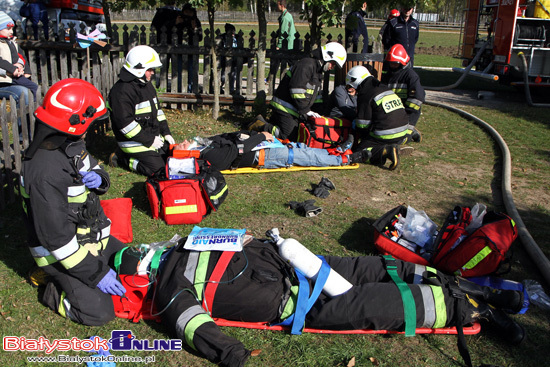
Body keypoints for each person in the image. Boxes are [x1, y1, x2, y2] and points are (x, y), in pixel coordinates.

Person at [116, 234, 526, 367]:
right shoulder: (189, 242)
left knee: (374, 298)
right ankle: (480, 299)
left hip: (294, 293)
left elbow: (193, 326)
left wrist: (233, 355)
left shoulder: (169, 290)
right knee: (373, 271)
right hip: (300, 276)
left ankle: (472, 306)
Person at [20, 78, 127, 326]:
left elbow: (95, 168)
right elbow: (56, 239)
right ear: (73, 122)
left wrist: (99, 179)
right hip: (59, 253)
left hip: (88, 235)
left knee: (130, 260)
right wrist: (97, 274)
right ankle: (52, 288)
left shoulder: (69, 144)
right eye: (89, 123)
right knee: (99, 312)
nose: (90, 129)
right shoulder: (44, 173)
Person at [252, 42, 347, 141]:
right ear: (328, 56)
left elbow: (316, 98)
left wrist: (320, 114)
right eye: (334, 63)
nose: (332, 67)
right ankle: (261, 125)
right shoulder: (307, 64)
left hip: (295, 109)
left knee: (300, 133)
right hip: (284, 107)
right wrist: (306, 111)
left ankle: (270, 125)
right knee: (289, 136)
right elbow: (296, 89)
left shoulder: (317, 72)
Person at [108, 45, 176, 177]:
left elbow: (158, 113)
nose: (152, 72)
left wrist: (166, 133)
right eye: (149, 69)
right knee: (158, 171)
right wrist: (149, 140)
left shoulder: (145, 85)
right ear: (139, 69)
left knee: (171, 159)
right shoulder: (121, 92)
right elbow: (126, 125)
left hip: (151, 136)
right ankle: (123, 158)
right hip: (132, 141)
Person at [173, 130, 365, 172]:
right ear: (184, 154)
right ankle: (344, 160)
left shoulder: (206, 146)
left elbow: (226, 137)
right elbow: (239, 151)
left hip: (263, 148)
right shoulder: (210, 156)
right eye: (180, 145)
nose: (183, 141)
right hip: (264, 155)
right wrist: (261, 137)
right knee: (303, 156)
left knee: (299, 147)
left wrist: (245, 134)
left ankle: (336, 151)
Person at [347, 65, 412, 170]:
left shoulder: (365, 93)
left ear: (355, 81)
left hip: (386, 133)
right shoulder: (381, 86)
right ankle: (401, 141)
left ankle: (385, 152)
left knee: (358, 152)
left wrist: (358, 133)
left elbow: (363, 125)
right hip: (403, 129)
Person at [381, 44, 424, 141]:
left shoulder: (410, 76)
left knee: (403, 138)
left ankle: (411, 133)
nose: (393, 65)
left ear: (402, 63)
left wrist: (405, 113)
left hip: (409, 113)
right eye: (391, 63)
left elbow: (417, 98)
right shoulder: (387, 76)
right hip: (391, 112)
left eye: (395, 63)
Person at [0, 11, 38, 98]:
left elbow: (21, 56)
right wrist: (12, 69)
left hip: (14, 75)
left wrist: (24, 69)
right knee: (34, 88)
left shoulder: (12, 42)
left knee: (33, 88)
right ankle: (36, 108)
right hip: (5, 77)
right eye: (8, 29)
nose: (11, 32)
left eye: (12, 29)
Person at [218, 23, 241, 95]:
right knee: (223, 76)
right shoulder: (222, 38)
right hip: (225, 60)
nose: (232, 33)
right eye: (231, 31)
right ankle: (220, 87)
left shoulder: (237, 38)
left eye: (233, 31)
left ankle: (231, 89)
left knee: (233, 75)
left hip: (234, 59)